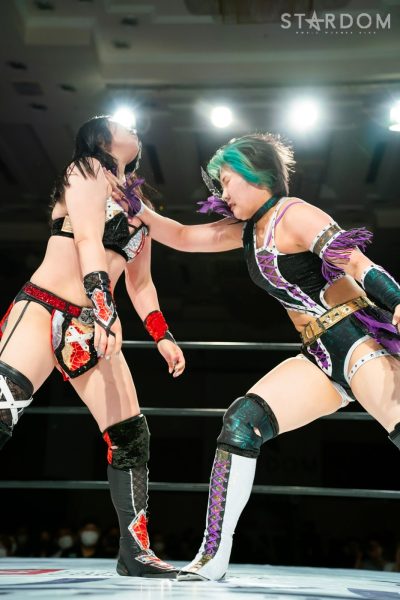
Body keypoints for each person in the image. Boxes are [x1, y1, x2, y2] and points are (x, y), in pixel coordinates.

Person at [104, 132, 400, 581]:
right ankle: (212, 559)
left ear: (255, 174)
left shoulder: (296, 214)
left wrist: (396, 301)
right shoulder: (247, 232)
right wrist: (137, 210)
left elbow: (357, 263)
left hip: (359, 339)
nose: (221, 193)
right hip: (319, 355)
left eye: (226, 180)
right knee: (242, 423)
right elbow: (182, 236)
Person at [0, 115, 185, 578]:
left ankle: (136, 553)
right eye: (121, 123)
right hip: (45, 308)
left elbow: (141, 284)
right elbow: (86, 237)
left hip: (92, 325)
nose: (133, 127)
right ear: (99, 139)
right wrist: (104, 308)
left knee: (131, 436)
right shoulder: (84, 170)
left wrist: (161, 335)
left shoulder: (138, 203)